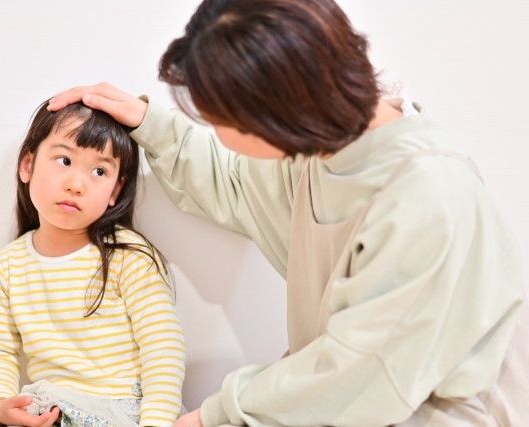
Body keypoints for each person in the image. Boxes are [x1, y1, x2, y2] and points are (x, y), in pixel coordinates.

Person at [48, 0, 529, 426]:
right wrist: (148, 123)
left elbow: (363, 376)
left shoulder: (428, 195)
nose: (215, 128)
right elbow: (234, 182)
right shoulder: (322, 153)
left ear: (276, 113)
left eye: (223, 116)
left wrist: (216, 413)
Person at [0, 99, 186, 427]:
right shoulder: (10, 265)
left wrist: (156, 422)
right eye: (64, 160)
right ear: (27, 165)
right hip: (53, 410)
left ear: (116, 190)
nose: (76, 184)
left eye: (99, 171)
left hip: (126, 411)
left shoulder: (128, 256)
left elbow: (163, 349)